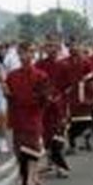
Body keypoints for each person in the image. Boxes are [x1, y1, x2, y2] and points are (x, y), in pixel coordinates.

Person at [5, 42, 50, 185]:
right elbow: (9, 97)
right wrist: (6, 92)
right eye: (24, 52)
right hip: (17, 116)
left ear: (34, 54)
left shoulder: (41, 76)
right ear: (18, 54)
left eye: (30, 52)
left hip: (33, 115)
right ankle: (30, 176)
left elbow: (44, 98)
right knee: (19, 151)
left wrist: (36, 103)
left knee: (32, 147)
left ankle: (31, 177)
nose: (27, 56)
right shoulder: (11, 76)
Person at [35, 35, 70, 177]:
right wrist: (43, 96)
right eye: (48, 45)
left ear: (58, 48)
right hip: (44, 106)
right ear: (44, 48)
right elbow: (35, 86)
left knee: (59, 136)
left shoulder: (64, 66)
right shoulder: (39, 65)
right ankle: (50, 162)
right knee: (46, 136)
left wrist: (61, 99)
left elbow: (68, 87)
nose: (51, 49)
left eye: (54, 46)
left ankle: (60, 167)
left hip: (59, 105)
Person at [61, 37, 93, 152]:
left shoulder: (86, 62)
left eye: (75, 45)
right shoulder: (63, 62)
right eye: (71, 45)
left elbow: (91, 79)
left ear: (79, 46)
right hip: (70, 95)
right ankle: (72, 145)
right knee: (71, 121)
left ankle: (87, 142)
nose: (73, 48)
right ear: (68, 47)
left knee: (86, 119)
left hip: (83, 93)